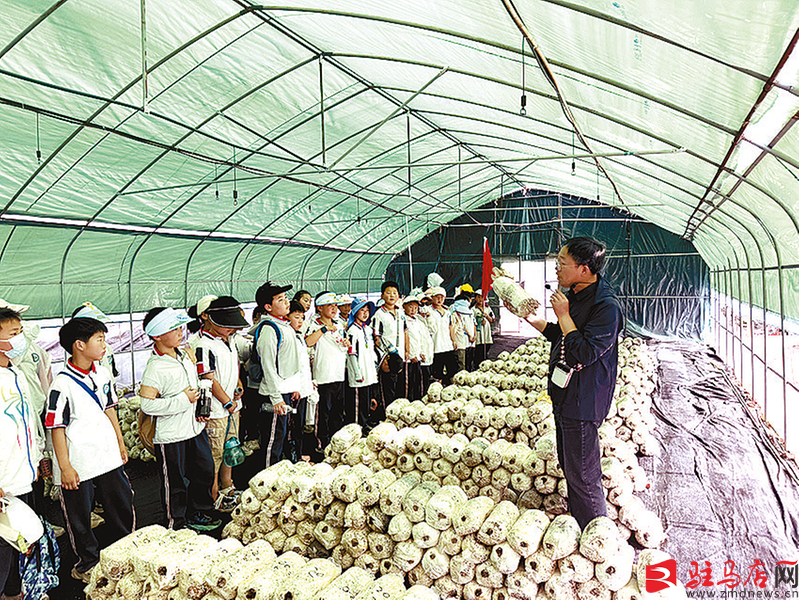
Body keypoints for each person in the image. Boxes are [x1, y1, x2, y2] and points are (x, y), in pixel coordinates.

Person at [523, 237, 623, 528]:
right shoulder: (577, 294)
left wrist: (564, 314)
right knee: (570, 466)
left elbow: (583, 351)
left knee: (583, 475)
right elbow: (562, 336)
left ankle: (597, 535)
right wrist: (530, 318)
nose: (556, 269)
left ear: (584, 269)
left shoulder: (606, 306)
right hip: (566, 396)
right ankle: (582, 523)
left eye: (561, 263)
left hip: (583, 401)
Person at [47, 317, 134, 583]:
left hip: (107, 456)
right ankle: (87, 563)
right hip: (79, 462)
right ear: (79, 345)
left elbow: (110, 409)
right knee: (80, 517)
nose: (105, 344)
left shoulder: (103, 373)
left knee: (121, 505)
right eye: (100, 339)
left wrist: (120, 443)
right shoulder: (61, 385)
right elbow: (56, 428)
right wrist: (65, 467)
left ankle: (125, 552)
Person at [139, 307, 219, 532]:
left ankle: (198, 512)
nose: (180, 332)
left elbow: (193, 388)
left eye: (179, 327)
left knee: (204, 471)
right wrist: (183, 400)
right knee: (175, 483)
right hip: (171, 436)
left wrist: (199, 409)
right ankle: (177, 524)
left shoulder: (185, 355)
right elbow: (147, 405)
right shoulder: (155, 368)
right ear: (157, 336)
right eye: (173, 329)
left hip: (194, 428)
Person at [187, 296, 249, 513]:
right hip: (216, 411)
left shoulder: (229, 341)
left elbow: (234, 367)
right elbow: (208, 379)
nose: (232, 328)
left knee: (230, 447)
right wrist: (226, 401)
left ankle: (228, 488)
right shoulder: (204, 345)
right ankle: (213, 498)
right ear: (210, 319)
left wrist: (238, 385)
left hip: (232, 407)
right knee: (213, 456)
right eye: (227, 324)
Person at [0, 307, 45, 596]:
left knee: (17, 542)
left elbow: (26, 422)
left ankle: (14, 592)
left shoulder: (15, 373)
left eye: (20, 331)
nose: (20, 339)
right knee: (2, 552)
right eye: (14, 333)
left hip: (20, 477)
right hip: (3, 484)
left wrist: (36, 458)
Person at [253, 282, 304, 466]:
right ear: (268, 307)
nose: (287, 302)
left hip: (285, 391)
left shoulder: (284, 325)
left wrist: (294, 387)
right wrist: (276, 398)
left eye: (286, 298)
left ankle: (276, 473)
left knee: (281, 437)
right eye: (280, 300)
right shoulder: (269, 329)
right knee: (273, 442)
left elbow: (289, 361)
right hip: (276, 394)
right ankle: (267, 477)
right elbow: (268, 367)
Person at [306, 292, 349, 451]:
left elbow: (342, 343)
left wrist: (346, 342)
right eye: (329, 305)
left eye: (335, 305)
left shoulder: (339, 325)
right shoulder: (314, 325)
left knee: (337, 413)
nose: (334, 308)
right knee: (322, 414)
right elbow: (308, 342)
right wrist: (324, 329)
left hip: (338, 374)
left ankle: (336, 443)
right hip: (323, 377)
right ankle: (321, 445)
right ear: (319, 308)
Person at [372, 281, 408, 415]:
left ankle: (398, 415)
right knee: (388, 389)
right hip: (387, 358)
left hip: (400, 356)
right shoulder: (379, 314)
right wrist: (383, 358)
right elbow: (376, 338)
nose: (392, 296)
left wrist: (407, 350)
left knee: (400, 387)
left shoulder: (401, 312)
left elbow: (405, 332)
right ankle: (387, 415)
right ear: (382, 296)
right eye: (388, 293)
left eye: (394, 293)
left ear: (398, 295)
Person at [284, 301, 313, 461]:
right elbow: (289, 365)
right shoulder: (288, 336)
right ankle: (293, 456)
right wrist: (294, 387)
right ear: (287, 317)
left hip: (303, 388)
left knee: (300, 424)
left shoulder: (299, 336)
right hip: (295, 390)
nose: (300, 321)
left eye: (302, 317)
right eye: (296, 317)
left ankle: (299, 454)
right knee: (292, 426)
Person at [345, 298, 377, 429]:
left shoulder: (367, 329)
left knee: (365, 401)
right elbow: (352, 353)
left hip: (368, 371)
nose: (365, 313)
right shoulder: (352, 330)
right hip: (359, 373)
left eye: (367, 310)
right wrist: (357, 373)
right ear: (355, 312)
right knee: (358, 402)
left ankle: (364, 424)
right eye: (362, 310)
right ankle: (357, 427)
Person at [424, 286, 457, 384]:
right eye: (437, 297)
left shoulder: (447, 312)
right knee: (437, 373)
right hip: (436, 346)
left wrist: (454, 340)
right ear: (432, 298)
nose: (439, 300)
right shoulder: (428, 311)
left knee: (452, 370)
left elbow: (450, 327)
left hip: (447, 345)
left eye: (442, 297)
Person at [402, 294, 428, 400]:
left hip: (417, 357)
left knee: (417, 382)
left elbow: (421, 338)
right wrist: (411, 354)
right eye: (411, 307)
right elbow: (406, 340)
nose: (413, 310)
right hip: (409, 358)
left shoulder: (418, 321)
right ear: (404, 306)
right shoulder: (403, 320)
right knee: (408, 384)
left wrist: (422, 352)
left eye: (416, 308)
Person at [450, 298, 475, 373]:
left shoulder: (461, 316)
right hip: (458, 344)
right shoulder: (453, 316)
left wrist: (470, 335)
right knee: (460, 364)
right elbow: (452, 329)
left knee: (463, 363)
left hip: (462, 342)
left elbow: (464, 326)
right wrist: (454, 341)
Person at [472, 290, 495, 366]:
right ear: (475, 298)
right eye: (478, 297)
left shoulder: (488, 308)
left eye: (482, 297)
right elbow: (472, 321)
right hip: (479, 333)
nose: (480, 299)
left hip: (486, 332)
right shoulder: (473, 309)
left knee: (486, 349)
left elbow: (492, 319)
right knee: (478, 351)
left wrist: (487, 316)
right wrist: (479, 322)